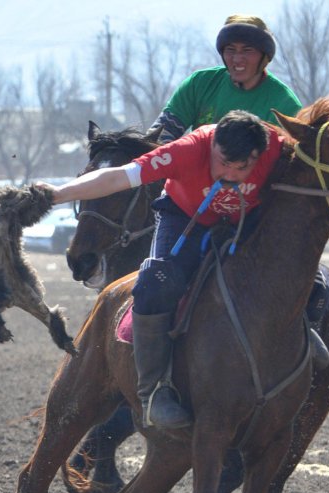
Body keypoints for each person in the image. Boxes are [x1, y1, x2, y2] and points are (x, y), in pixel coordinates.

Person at [47, 110, 282, 429]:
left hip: (246, 218)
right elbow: (117, 177)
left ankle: (302, 331)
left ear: (260, 155)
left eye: (242, 168)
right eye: (223, 162)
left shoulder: (277, 149)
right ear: (212, 145)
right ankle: (155, 393)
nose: (229, 174)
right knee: (156, 283)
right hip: (184, 216)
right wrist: (55, 195)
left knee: (286, 268)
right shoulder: (188, 149)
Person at [147, 15, 302, 143]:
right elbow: (158, 137)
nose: (237, 59)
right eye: (230, 49)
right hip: (195, 175)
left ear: (265, 57)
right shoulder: (199, 84)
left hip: (254, 179)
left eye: (247, 50)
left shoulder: (285, 105)